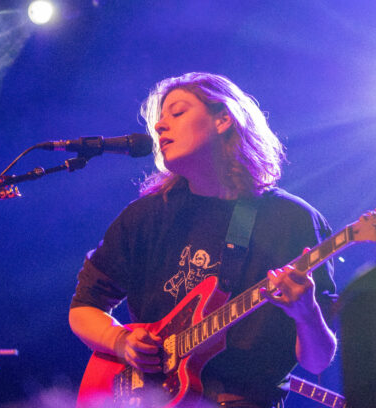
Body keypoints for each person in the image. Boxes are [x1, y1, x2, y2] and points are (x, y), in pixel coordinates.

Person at [69, 72, 338, 408]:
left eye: (177, 113)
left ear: (223, 119)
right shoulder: (147, 216)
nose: (159, 127)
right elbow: (83, 308)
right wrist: (120, 340)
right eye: (159, 119)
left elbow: (317, 361)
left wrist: (306, 311)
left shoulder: (290, 219)